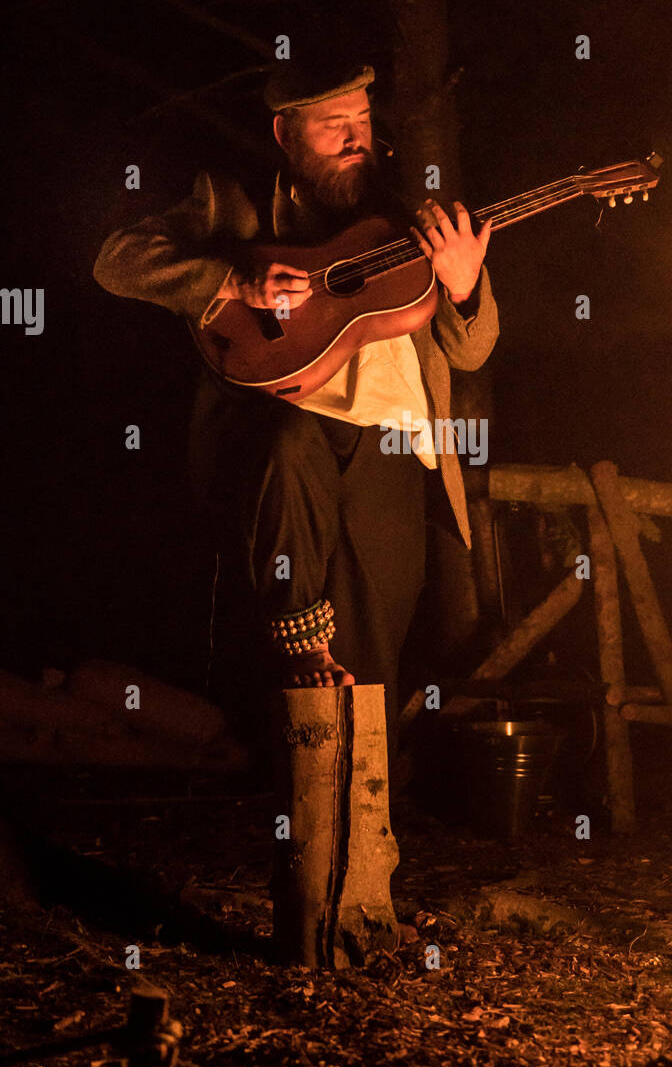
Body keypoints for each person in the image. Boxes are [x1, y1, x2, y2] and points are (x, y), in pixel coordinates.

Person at [93, 60, 499, 754]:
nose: (354, 140)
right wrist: (229, 279)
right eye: (334, 125)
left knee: (371, 659)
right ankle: (301, 824)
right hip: (294, 431)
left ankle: (370, 837)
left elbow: (470, 352)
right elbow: (118, 259)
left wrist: (464, 288)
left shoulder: (408, 216)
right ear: (286, 133)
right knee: (294, 638)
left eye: (363, 122)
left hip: (393, 443)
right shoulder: (233, 205)